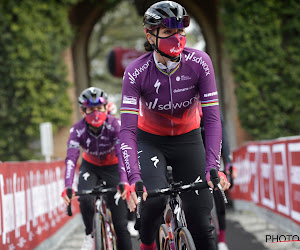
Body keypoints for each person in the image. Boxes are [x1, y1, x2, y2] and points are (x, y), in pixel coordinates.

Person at [118, 1, 230, 249]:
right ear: (150, 35)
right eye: (169, 32)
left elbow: (212, 119)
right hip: (150, 141)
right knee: (153, 204)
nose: (177, 38)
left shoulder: (200, 63)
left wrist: (214, 166)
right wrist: (134, 176)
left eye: (180, 31)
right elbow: (126, 130)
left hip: (188, 139)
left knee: (202, 225)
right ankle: (148, 245)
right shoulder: (136, 72)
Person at [61, 87, 132, 250]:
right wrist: (68, 185)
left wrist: (124, 180)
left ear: (106, 108)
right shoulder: (77, 129)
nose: (96, 113)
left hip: (113, 167)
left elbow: (122, 153)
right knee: (85, 198)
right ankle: (89, 234)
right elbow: (71, 158)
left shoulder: (115, 124)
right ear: (82, 111)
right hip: (90, 166)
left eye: (99, 108)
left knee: (121, 226)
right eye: (91, 109)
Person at [200, 111, 237, 250]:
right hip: (193, 160)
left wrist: (228, 163)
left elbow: (224, 139)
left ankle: (221, 239)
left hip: (213, 161)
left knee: (220, 200)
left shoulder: (212, 111)